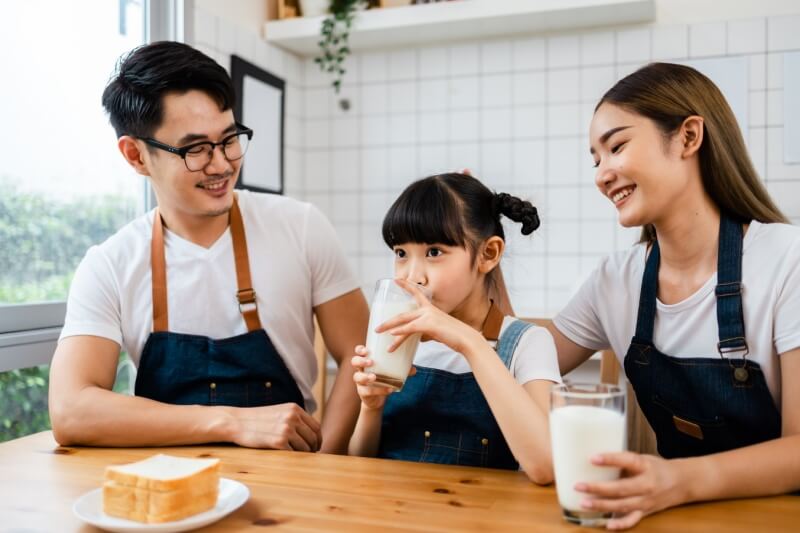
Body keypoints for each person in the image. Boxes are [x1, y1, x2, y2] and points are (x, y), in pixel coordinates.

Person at [48, 41, 368, 453]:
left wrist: (326, 460)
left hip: (295, 474)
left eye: (230, 139)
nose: (221, 164)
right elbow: (71, 410)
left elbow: (361, 358)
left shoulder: (300, 226)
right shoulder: (110, 264)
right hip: (164, 484)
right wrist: (232, 422)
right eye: (195, 149)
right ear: (136, 155)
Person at [549, 62, 800, 529]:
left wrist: (678, 481)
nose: (603, 174)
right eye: (595, 159)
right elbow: (531, 352)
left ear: (688, 137)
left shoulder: (788, 260)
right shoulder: (615, 279)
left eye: (616, 146)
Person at [348, 173, 560, 483]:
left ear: (488, 254)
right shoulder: (396, 339)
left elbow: (548, 466)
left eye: (434, 252)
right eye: (401, 253)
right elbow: (359, 468)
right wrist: (371, 407)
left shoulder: (527, 343)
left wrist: (470, 342)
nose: (413, 276)